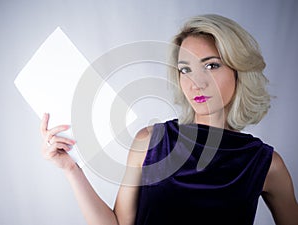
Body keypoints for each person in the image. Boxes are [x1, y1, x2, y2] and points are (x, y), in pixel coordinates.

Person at [41, 14, 298, 225]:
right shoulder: (151, 141)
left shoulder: (266, 163)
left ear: (238, 70)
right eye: (185, 69)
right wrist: (71, 169)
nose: (196, 82)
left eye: (211, 65)